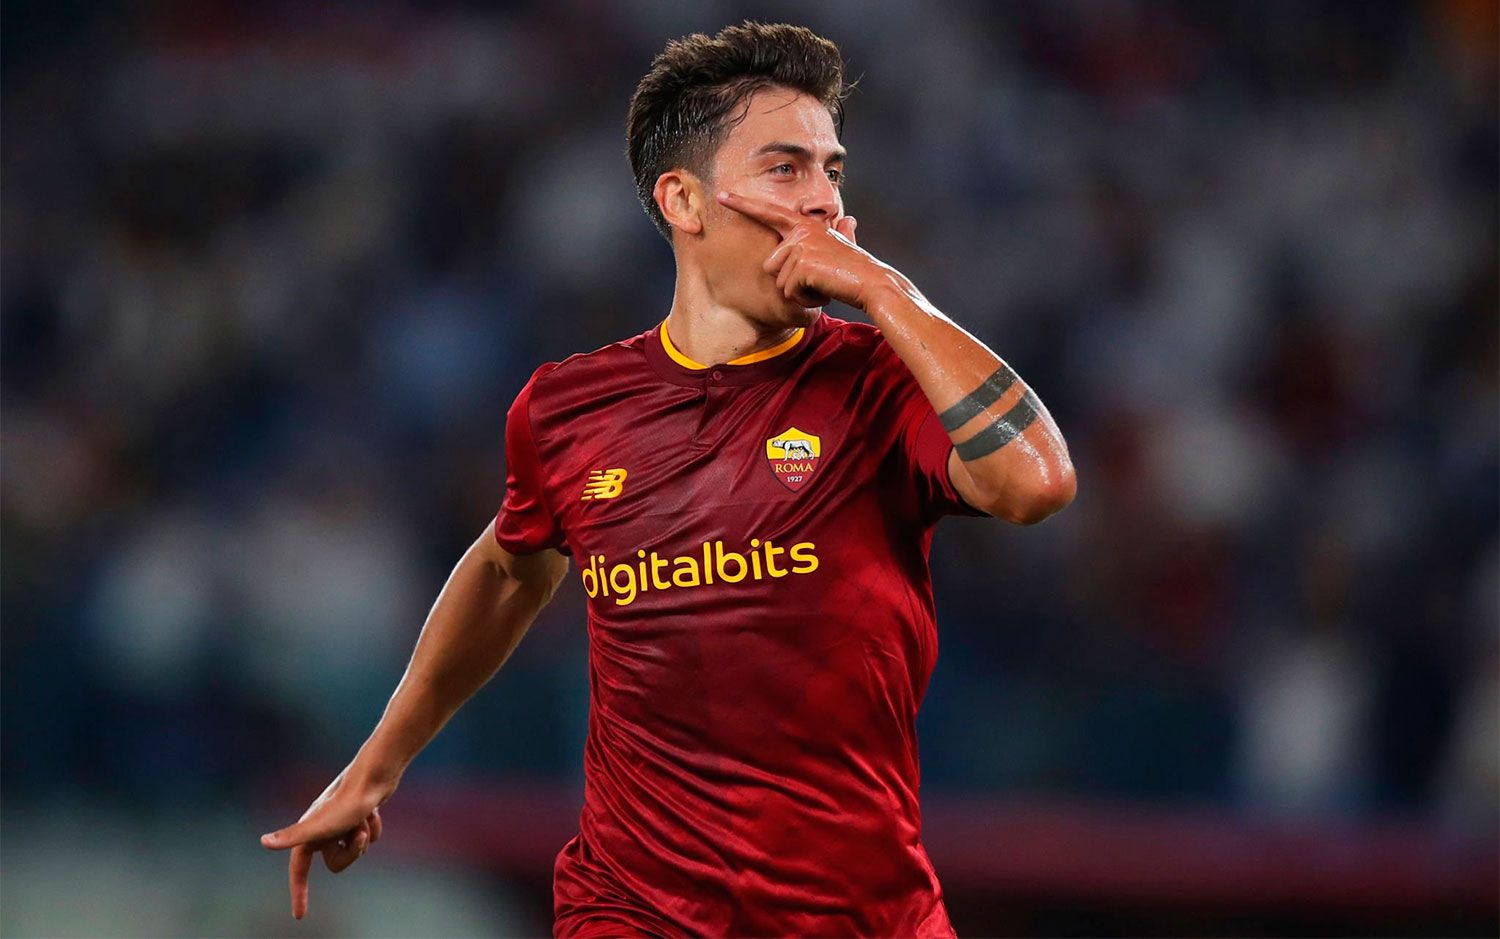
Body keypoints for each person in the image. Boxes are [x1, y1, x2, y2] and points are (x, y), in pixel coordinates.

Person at [260, 20, 1076, 937]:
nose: (823, 201)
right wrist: (373, 767)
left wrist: (889, 292)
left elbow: (1037, 482)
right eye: (785, 169)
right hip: (634, 908)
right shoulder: (568, 409)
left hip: (863, 913)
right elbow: (506, 569)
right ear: (683, 199)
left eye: (832, 171)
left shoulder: (883, 382)